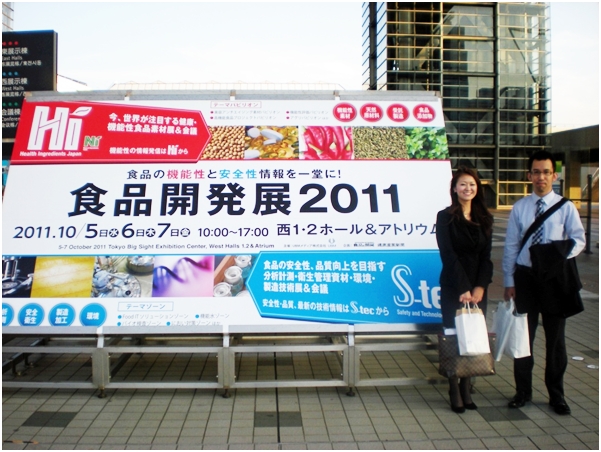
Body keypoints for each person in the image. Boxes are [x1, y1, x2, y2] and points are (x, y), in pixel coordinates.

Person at [503, 150, 585, 416]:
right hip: (526, 279)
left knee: (556, 341)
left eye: (546, 172)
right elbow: (511, 246)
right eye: (536, 172)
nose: (541, 177)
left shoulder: (566, 207)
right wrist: (509, 281)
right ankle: (522, 391)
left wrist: (555, 256)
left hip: (554, 281)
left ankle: (556, 395)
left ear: (554, 175)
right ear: (529, 176)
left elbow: (579, 240)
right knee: (523, 338)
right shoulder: (520, 207)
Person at [436, 166, 493, 413]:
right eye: (462, 184)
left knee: (473, 334)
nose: (467, 188)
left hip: (477, 288)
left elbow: (486, 257)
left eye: (472, 184)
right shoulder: (445, 217)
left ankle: (467, 385)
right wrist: (463, 288)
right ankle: (453, 387)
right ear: (454, 188)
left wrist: (480, 287)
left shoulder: (485, 218)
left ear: (477, 188)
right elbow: (448, 254)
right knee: (453, 334)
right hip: (453, 285)